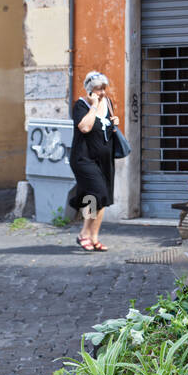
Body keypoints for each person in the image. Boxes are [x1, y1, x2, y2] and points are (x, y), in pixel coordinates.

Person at [69, 71, 119, 252]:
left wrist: (115, 122)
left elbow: (107, 127)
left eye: (104, 88)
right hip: (84, 159)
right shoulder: (81, 105)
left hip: (105, 159)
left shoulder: (108, 103)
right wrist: (94, 106)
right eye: (98, 89)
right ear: (90, 90)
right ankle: (83, 233)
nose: (103, 93)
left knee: (103, 197)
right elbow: (85, 127)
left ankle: (94, 237)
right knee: (95, 194)